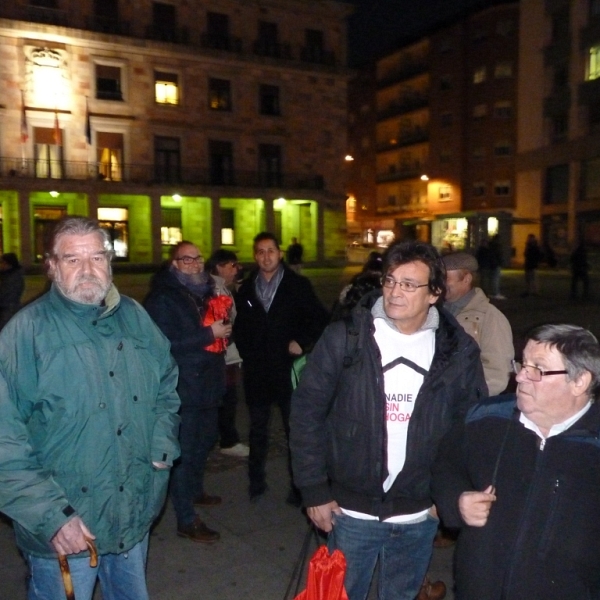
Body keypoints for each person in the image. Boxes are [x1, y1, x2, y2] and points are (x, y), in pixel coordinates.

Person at [290, 241, 487, 600]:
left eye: (410, 284)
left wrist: (445, 496)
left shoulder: (456, 351)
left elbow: (468, 428)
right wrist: (314, 490)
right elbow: (307, 414)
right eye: (391, 280)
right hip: (351, 513)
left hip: (419, 513)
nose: (396, 292)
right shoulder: (347, 337)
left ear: (435, 294)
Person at [0, 216, 180, 600]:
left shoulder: (133, 316)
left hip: (132, 514)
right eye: (72, 260)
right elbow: (4, 440)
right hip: (67, 530)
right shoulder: (25, 333)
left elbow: (167, 381)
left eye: (97, 258)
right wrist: (51, 518)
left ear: (109, 262)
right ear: (51, 266)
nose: (87, 270)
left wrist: (160, 450)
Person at [432, 324, 600, 599]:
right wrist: (456, 501)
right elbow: (446, 465)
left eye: (538, 369)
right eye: (523, 363)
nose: (520, 375)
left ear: (580, 381)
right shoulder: (485, 418)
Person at [145, 241, 232, 543]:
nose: (194, 264)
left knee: (204, 442)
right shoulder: (162, 298)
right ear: (174, 264)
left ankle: (195, 492)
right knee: (182, 450)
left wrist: (224, 331)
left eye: (198, 259)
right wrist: (210, 334)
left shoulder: (207, 291)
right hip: (183, 385)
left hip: (210, 381)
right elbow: (162, 345)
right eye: (187, 260)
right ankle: (185, 518)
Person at [234, 232, 329, 503]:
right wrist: (248, 352)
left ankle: (299, 488)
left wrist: (302, 341)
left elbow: (320, 318)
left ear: (280, 253)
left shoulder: (297, 285)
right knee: (258, 429)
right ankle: (256, 483)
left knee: (295, 431)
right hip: (257, 371)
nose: (266, 256)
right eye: (260, 252)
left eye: (270, 251)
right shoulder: (247, 288)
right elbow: (240, 328)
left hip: (287, 370)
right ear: (255, 256)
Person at [442, 252, 514, 396]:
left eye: (445, 278)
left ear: (466, 279)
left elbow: (497, 374)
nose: (439, 283)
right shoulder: (433, 311)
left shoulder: (490, 317)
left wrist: (465, 398)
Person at [205, 249, 249, 457]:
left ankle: (222, 437)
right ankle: (228, 440)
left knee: (226, 396)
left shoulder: (223, 287)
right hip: (223, 352)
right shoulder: (216, 289)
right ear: (219, 267)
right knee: (227, 396)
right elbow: (225, 322)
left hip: (225, 351)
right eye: (232, 265)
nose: (236, 269)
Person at [0, 252, 25, 329]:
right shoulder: (7, 276)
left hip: (8, 311)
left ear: (8, 264)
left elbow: (4, 294)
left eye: (2, 262)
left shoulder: (13, 278)